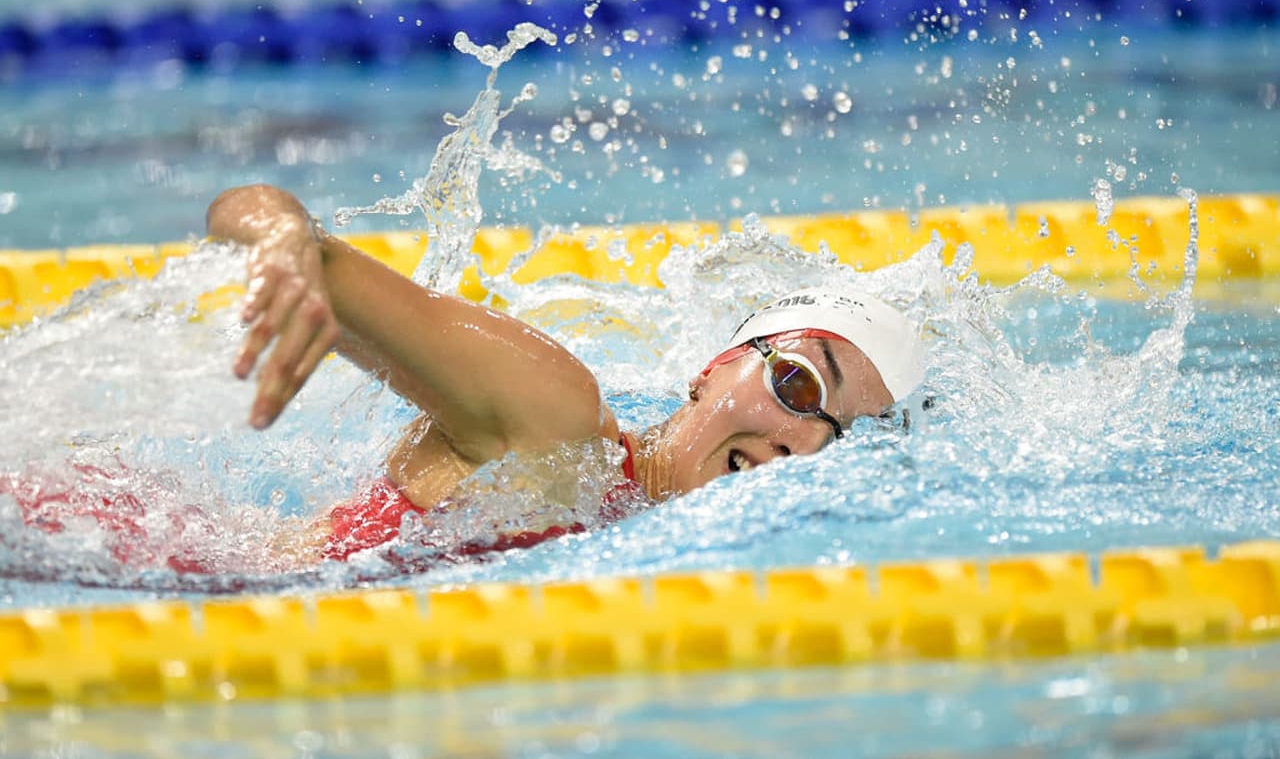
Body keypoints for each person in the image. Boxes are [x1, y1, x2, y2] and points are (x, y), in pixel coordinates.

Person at [204, 184, 927, 564]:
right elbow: (254, 216)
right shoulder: (558, 423)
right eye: (799, 386)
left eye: (842, 440)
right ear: (714, 369)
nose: (804, 446)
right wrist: (280, 237)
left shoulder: (637, 534)